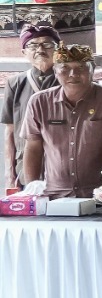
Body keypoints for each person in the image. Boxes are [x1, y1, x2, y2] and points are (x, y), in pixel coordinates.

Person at [23, 45, 102, 196]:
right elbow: (33, 149)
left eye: (81, 68)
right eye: (64, 68)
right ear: (55, 72)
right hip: (53, 195)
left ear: (92, 71)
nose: (73, 74)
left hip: (100, 195)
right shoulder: (39, 102)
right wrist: (32, 191)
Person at [2, 20, 60, 185]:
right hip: (25, 165)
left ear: (58, 49)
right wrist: (10, 172)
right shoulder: (15, 83)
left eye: (47, 45)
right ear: (23, 52)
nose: (40, 50)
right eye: (33, 45)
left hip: (61, 165)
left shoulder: (70, 81)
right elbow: (10, 131)